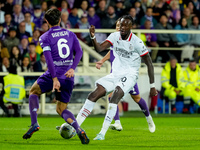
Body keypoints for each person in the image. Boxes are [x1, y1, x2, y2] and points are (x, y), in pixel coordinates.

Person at [76, 15, 157, 140]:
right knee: (94, 94)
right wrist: (93, 37)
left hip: (130, 75)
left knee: (133, 98)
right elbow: (100, 48)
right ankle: (76, 126)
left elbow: (149, 63)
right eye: (120, 25)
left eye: (125, 25)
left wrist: (152, 86)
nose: (122, 27)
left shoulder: (137, 42)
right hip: (115, 73)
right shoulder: (114, 36)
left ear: (131, 27)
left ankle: (148, 118)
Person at [22, 8, 89, 144]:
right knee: (61, 109)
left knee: (33, 91)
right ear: (60, 20)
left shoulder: (45, 37)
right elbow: (80, 52)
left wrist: (54, 79)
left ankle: (34, 123)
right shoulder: (70, 34)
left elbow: (49, 60)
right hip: (69, 76)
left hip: (55, 74)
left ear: (47, 22)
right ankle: (79, 129)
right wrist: (72, 68)